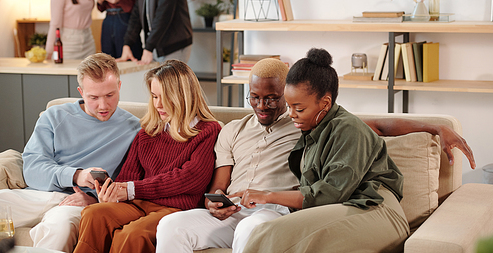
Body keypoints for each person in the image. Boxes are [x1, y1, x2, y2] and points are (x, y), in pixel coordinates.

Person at [155, 57, 476, 253]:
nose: (262, 105)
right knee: (172, 226)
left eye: (272, 98)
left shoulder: (305, 120)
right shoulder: (232, 130)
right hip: (235, 210)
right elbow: (220, 184)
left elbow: (375, 125)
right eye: (255, 97)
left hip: (274, 211)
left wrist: (435, 127)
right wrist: (216, 201)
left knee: (251, 231)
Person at [240, 48, 408, 252]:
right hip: (343, 209)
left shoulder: (349, 129)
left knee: (272, 234)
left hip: (376, 211)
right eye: (289, 106)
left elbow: (331, 193)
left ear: (325, 103)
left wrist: (268, 195)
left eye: (299, 108)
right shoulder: (312, 130)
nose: (292, 114)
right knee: (267, 230)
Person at [0, 53, 141, 253]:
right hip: (39, 195)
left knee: (59, 229)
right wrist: (77, 175)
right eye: (93, 98)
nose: (103, 105)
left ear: (119, 87)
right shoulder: (54, 116)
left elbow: (135, 184)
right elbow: (32, 168)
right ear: (81, 91)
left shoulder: (135, 129)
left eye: (110, 95)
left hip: (80, 204)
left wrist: (94, 200)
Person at [73, 60, 221, 253]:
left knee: (132, 234)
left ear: (183, 96)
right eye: (154, 96)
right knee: (94, 214)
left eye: (165, 97)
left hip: (177, 210)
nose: (158, 104)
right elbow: (127, 179)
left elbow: (191, 178)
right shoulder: (147, 133)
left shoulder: (207, 130)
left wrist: (132, 189)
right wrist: (112, 193)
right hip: (139, 204)